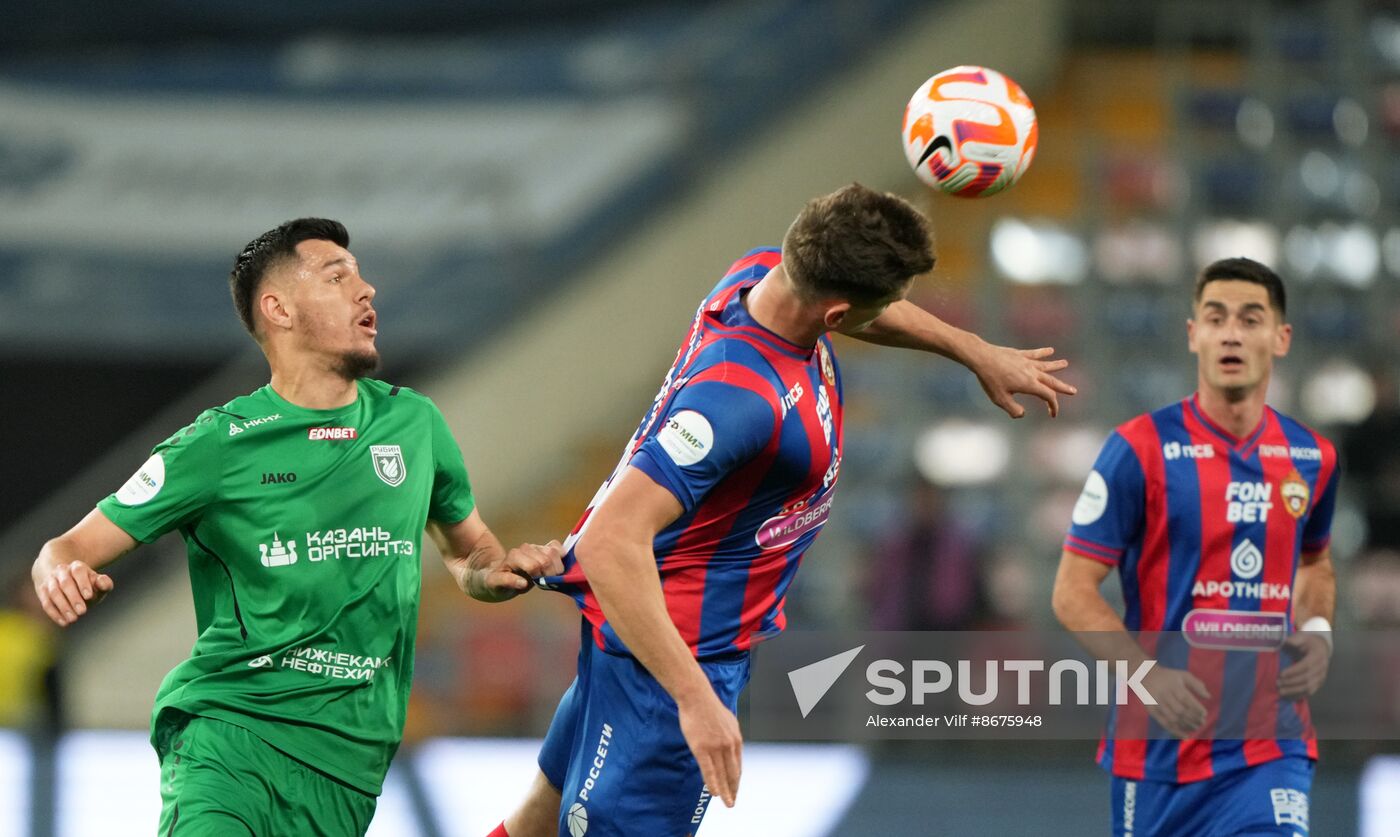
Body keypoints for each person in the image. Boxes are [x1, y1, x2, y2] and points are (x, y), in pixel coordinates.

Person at [494, 183, 1077, 837]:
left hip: (648, 645)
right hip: (671, 663)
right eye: (886, 301)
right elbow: (610, 542)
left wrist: (973, 350)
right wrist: (695, 701)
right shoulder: (739, 399)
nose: (894, 312)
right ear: (835, 315)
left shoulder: (761, 274)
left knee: (534, 826)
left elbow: (869, 311)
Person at [30, 218, 562, 835]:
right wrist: (60, 571)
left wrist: (494, 572)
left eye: (361, 275)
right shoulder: (217, 444)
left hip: (353, 764)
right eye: (338, 277)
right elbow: (67, 546)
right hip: (234, 738)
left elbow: (470, 552)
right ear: (277, 308)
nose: (366, 291)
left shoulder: (413, 423)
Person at [1052, 257, 1338, 836]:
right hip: (1157, 753)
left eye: (1251, 319)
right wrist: (1146, 676)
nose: (1232, 332)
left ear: (1280, 338)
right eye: (1215, 317)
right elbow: (1072, 592)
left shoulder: (1312, 457)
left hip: (1270, 745)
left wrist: (1319, 632)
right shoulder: (1137, 450)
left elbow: (1317, 565)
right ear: (1193, 335)